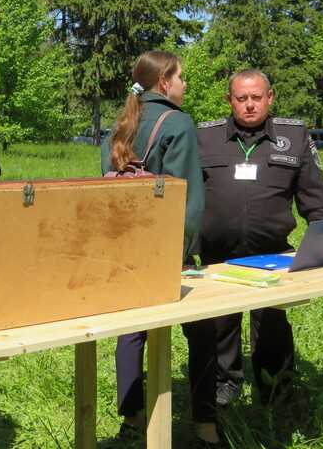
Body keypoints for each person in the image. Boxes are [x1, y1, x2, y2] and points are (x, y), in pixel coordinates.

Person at [197, 68, 323, 408]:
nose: (249, 105)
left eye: (256, 97)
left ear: (270, 98)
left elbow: (315, 199)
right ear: (229, 101)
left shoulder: (293, 136)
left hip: (272, 253)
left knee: (272, 324)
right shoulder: (205, 136)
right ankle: (225, 384)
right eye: (241, 98)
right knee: (219, 325)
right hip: (217, 251)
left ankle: (276, 387)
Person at [101, 51, 220, 447]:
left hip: (124, 250)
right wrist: (184, 254)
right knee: (204, 330)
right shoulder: (179, 123)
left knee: (131, 334)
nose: (185, 84)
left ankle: (132, 418)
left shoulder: (120, 124)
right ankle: (205, 424)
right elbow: (188, 199)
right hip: (167, 250)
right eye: (181, 77)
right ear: (165, 82)